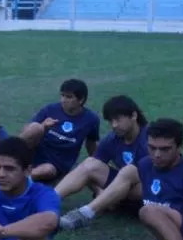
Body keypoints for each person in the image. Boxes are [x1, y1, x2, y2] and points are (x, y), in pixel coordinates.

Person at [57, 95, 149, 230]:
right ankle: (47, 201)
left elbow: (164, 178)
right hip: (125, 191)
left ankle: (84, 215)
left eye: (118, 119)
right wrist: (100, 191)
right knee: (90, 163)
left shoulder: (151, 137)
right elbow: (91, 172)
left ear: (134, 116)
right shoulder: (113, 139)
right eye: (111, 121)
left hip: (150, 194)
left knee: (130, 171)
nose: (114, 125)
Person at [20, 79, 101, 183]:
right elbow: (27, 131)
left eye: (69, 97)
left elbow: (91, 144)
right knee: (35, 127)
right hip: (36, 152)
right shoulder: (50, 109)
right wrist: (43, 127)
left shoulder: (91, 120)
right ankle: (9, 155)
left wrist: (97, 164)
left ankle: (21, 178)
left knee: (47, 170)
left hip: (57, 163)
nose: (63, 100)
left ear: (81, 100)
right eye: (62, 95)